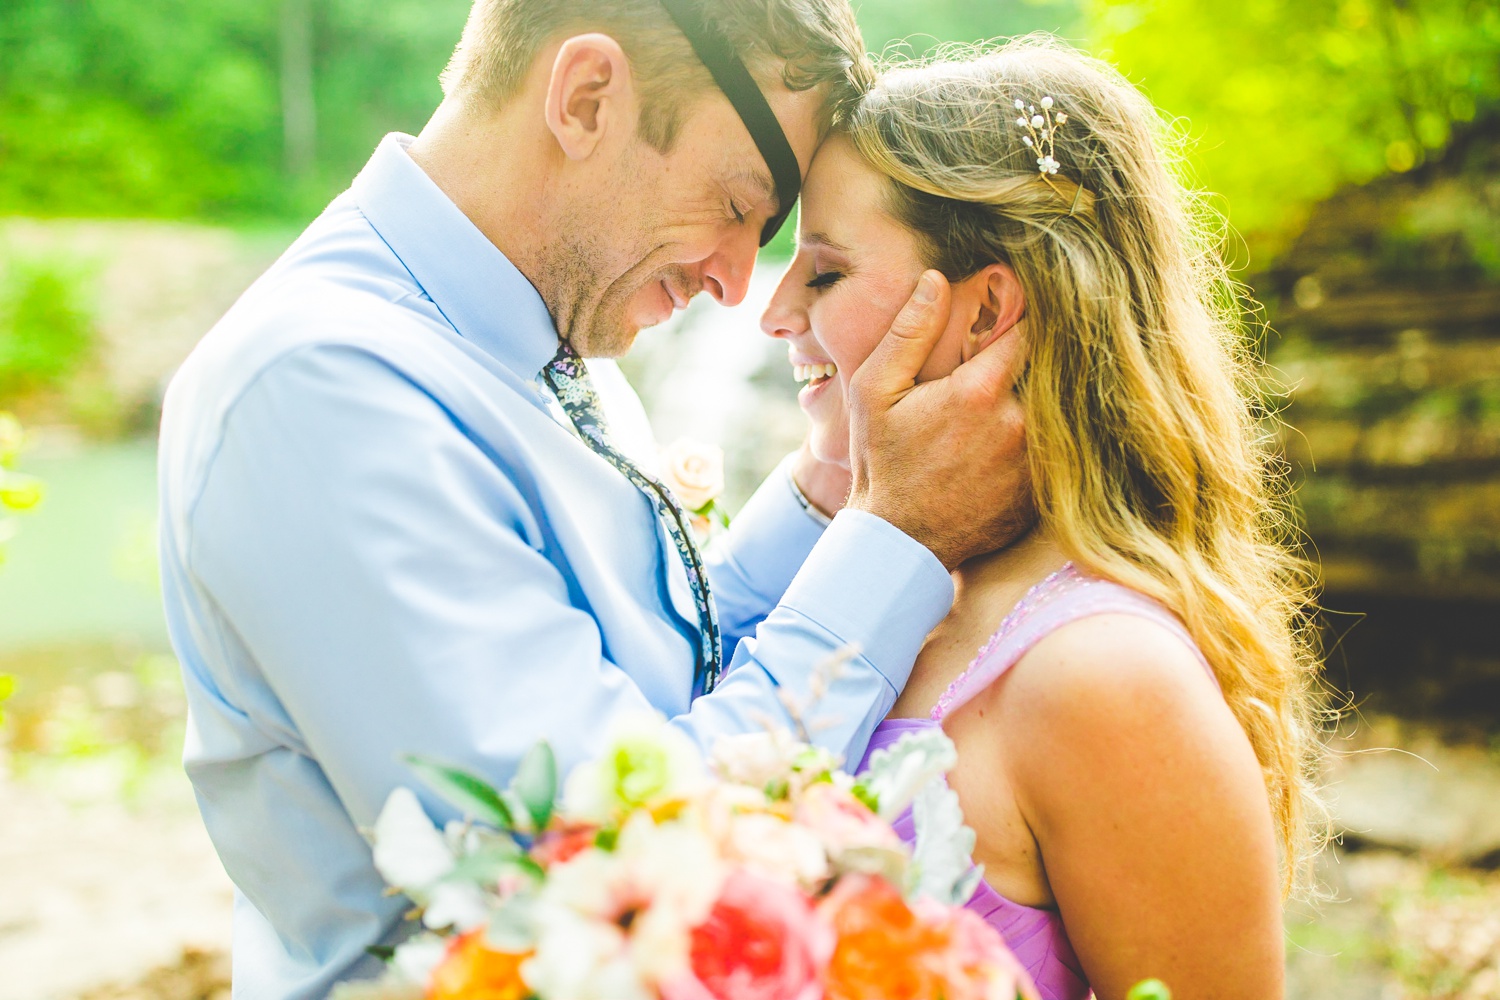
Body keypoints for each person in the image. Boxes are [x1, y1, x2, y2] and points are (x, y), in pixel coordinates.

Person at [156, 1, 1031, 996]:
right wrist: (900, 534)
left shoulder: (546, 330)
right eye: (736, 204)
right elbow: (617, 854)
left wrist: (831, 488)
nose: (738, 284)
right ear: (586, 98)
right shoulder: (322, 389)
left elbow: (656, 689)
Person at [760, 37, 1325, 1000]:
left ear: (985, 317)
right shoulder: (891, 586)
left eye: (823, 275)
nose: (774, 313)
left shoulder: (1105, 679)